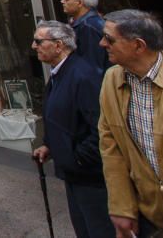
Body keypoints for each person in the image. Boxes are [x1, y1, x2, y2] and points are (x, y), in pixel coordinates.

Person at [98, 9, 163, 235]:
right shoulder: (112, 80)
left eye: (109, 38)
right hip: (151, 220)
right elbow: (110, 145)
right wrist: (121, 206)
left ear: (138, 46)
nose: (102, 43)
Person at [30, 21, 112, 238]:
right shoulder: (59, 73)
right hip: (74, 172)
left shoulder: (83, 76)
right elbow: (62, 118)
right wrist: (51, 145)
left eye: (39, 41)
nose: (33, 46)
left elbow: (101, 129)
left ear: (58, 45)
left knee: (97, 229)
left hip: (90, 177)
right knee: (83, 228)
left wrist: (77, 158)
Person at [62, 0, 110, 72]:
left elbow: (93, 67)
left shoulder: (88, 27)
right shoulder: (88, 23)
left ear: (80, 3)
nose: (62, 1)